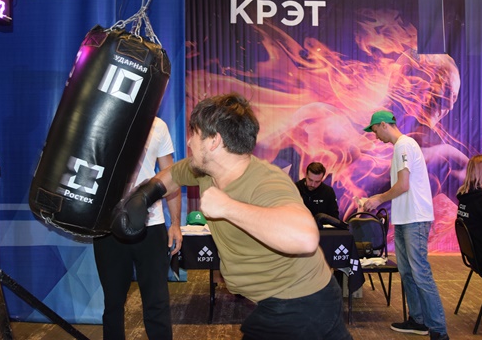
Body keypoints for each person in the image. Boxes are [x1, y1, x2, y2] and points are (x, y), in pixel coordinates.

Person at [114, 93, 352, 340]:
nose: (189, 141)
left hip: (301, 304)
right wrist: (144, 196)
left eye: (194, 133)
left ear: (214, 141)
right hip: (292, 300)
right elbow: (172, 175)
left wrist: (228, 207)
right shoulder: (204, 170)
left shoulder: (266, 181)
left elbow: (305, 238)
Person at [362, 110, 449, 340]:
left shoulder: (404, 145)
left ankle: (439, 330)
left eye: (375, 130)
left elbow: (403, 185)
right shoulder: (401, 147)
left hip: (415, 219)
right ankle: (418, 320)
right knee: (408, 272)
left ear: (383, 125)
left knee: (420, 273)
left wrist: (378, 199)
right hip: (405, 219)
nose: (375, 135)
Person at [93, 117, 182, 340]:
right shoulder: (104, 115)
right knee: (113, 302)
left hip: (150, 225)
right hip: (109, 226)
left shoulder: (158, 125)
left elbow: (171, 177)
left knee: (157, 301)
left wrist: (176, 224)